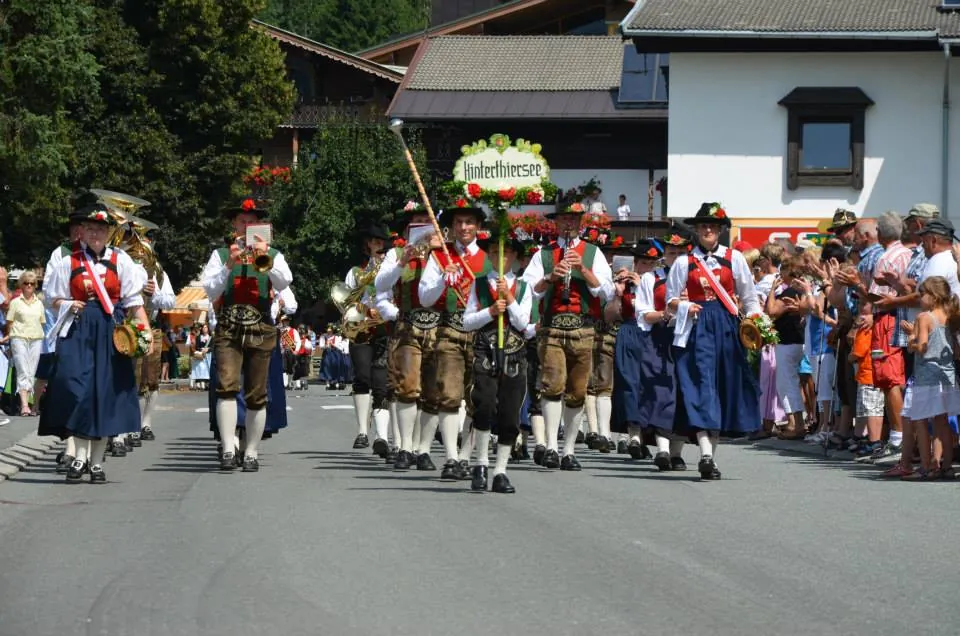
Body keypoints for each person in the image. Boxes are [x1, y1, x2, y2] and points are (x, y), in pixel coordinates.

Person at [39, 204, 152, 483]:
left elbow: (133, 302)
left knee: (105, 393)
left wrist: (145, 332)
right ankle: (78, 457)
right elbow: (51, 299)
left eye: (100, 229)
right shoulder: (69, 261)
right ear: (82, 233)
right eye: (90, 229)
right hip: (78, 331)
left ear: (108, 232)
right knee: (75, 389)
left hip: (110, 331)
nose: (95, 233)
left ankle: (96, 462)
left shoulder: (121, 260)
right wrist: (68, 303)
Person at [666, 202, 762, 480]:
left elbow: (750, 297)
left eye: (712, 226)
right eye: (703, 226)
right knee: (701, 386)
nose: (708, 230)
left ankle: (711, 456)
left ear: (719, 230)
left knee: (722, 387)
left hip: (728, 328)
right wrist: (686, 307)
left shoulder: (735, 259)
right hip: (697, 329)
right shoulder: (684, 262)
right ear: (696, 231)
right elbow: (671, 301)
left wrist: (757, 322)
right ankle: (705, 453)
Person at [521, 199, 615, 470]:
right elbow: (528, 291)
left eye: (573, 220)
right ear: (557, 223)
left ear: (579, 223)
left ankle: (569, 450)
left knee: (577, 391)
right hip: (551, 328)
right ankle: (551, 446)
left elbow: (607, 292)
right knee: (552, 385)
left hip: (584, 328)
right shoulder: (544, 254)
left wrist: (582, 270)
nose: (568, 224)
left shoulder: (593, 252)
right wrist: (551, 277)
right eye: (563, 220)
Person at [201, 197, 293, 472]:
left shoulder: (274, 254)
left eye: (252, 223)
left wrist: (265, 255)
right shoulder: (219, 255)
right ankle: (229, 448)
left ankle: (251, 451)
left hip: (262, 325)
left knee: (257, 392)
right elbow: (210, 290)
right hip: (229, 325)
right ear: (234, 225)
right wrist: (230, 263)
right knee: (226, 387)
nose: (247, 227)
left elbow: (284, 281)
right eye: (242, 222)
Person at [418, 203, 491, 481]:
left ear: (477, 227)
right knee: (448, 395)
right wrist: (443, 282)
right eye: (459, 222)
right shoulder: (439, 258)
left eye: (469, 222)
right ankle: (450, 457)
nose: (464, 228)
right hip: (449, 330)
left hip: (482, 334)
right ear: (451, 227)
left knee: (477, 399)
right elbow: (425, 297)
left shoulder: (489, 259)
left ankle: (465, 456)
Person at [374, 201, 443, 471]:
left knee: (433, 392)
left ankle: (423, 449)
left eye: (428, 222)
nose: (423, 228)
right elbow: (381, 286)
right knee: (407, 388)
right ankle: (404, 446)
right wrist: (404, 260)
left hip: (439, 328)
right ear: (408, 228)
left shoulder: (445, 253)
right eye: (417, 223)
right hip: (407, 327)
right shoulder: (396, 253)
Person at [462, 229, 531, 493]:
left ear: (513, 256)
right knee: (484, 406)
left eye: (505, 253)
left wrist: (510, 299)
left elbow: (524, 323)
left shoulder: (522, 287)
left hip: (515, 354)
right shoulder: (479, 284)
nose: (499, 257)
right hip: (486, 352)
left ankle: (500, 470)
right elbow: (467, 322)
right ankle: (480, 462)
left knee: (510, 412)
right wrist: (490, 311)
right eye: (493, 252)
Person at [345, 224, 391, 455]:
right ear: (367, 245)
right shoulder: (355, 272)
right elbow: (345, 300)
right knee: (362, 377)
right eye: (374, 242)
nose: (378, 246)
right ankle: (363, 430)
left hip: (385, 329)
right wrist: (364, 310)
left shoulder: (393, 269)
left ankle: (382, 436)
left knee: (382, 382)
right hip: (362, 329)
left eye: (381, 242)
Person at [6, 271, 45, 416]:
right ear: (21, 285)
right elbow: (10, 323)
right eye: (26, 283)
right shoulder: (15, 302)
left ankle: (29, 404)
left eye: (32, 283)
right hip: (19, 337)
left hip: (36, 339)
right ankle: (24, 405)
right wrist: (10, 341)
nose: (29, 286)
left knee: (31, 371)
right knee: (22, 370)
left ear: (35, 286)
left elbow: (41, 322)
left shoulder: (39, 304)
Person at [190, 323, 212, 390]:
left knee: (208, 370)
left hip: (208, 355)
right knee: (201, 369)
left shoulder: (210, 337)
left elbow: (213, 346)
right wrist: (201, 350)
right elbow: (196, 347)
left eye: (206, 327)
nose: (204, 329)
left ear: (208, 329)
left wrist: (208, 349)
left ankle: (208, 384)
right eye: (203, 328)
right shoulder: (199, 337)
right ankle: (201, 383)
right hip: (201, 355)